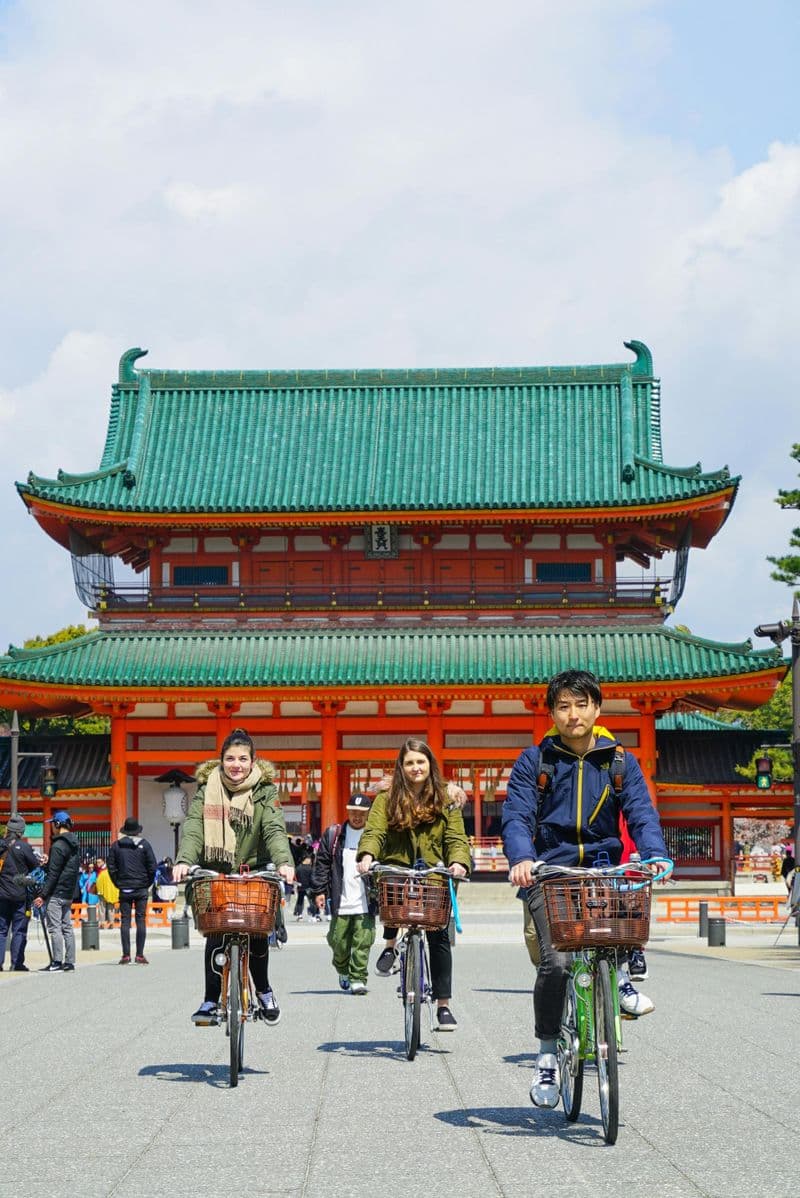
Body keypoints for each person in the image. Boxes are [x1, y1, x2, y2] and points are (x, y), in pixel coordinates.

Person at [502, 669, 673, 1109]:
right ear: (552, 712)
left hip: (603, 867)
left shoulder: (619, 761)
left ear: (597, 708)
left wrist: (654, 852)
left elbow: (640, 811)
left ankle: (618, 980)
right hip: (550, 870)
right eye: (563, 706)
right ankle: (545, 1054)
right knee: (556, 963)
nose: (573, 714)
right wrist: (522, 858)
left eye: (582, 704)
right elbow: (517, 816)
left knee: (620, 931)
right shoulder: (535, 761)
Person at [173, 728, 295, 1025]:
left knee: (256, 933)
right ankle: (210, 999)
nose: (236, 764)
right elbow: (193, 828)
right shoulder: (207, 790)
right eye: (230, 759)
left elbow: (274, 829)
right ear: (221, 761)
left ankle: (264, 990)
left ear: (253, 762)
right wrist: (185, 860)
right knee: (216, 934)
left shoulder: (265, 791)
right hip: (217, 871)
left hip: (255, 870)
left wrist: (283, 862)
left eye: (243, 758)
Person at [356, 738, 471, 1031]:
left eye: (421, 761)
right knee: (392, 887)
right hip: (398, 866)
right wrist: (367, 854)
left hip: (434, 870)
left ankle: (444, 1005)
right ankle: (390, 945)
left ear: (430, 764)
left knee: (438, 935)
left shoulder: (447, 798)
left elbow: (456, 837)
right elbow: (375, 830)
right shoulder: (387, 797)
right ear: (401, 767)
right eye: (409, 762)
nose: (416, 767)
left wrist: (458, 861)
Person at [311, 793, 378, 995]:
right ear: (347, 811)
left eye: (362, 813)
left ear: (369, 814)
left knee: (363, 941)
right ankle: (343, 969)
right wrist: (319, 890)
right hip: (341, 897)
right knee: (337, 941)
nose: (357, 816)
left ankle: (358, 978)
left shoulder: (374, 836)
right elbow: (321, 863)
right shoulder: (334, 835)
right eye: (353, 812)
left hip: (366, 899)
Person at [33, 809, 80, 972]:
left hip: (57, 892)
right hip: (69, 892)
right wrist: (49, 862)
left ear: (58, 824)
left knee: (55, 928)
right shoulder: (74, 844)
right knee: (67, 926)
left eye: (53, 824)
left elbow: (54, 874)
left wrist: (43, 895)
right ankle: (70, 962)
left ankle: (57, 961)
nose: (52, 827)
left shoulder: (58, 845)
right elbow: (66, 868)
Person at [107, 817, 157, 965]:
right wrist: (146, 883)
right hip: (141, 888)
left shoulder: (116, 846)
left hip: (124, 888)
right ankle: (140, 955)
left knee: (125, 921)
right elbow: (152, 867)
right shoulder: (145, 845)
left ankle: (126, 955)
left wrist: (118, 883)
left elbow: (111, 867)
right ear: (137, 831)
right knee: (140, 920)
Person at [0, 814, 41, 972]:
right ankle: (16, 963)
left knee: (1, 930)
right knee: (19, 930)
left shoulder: (1, 845)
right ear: (21, 831)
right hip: (20, 895)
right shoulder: (24, 847)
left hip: (1, 894)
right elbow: (34, 866)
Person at [94, 855, 118, 928]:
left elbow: (98, 881)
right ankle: (108, 923)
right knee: (109, 908)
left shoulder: (103, 872)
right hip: (108, 891)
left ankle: (105, 923)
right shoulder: (113, 872)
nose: (98, 864)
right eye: (97, 862)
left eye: (99, 862)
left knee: (103, 908)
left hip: (104, 892)